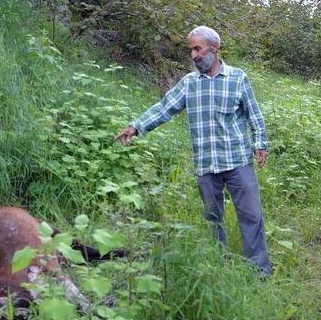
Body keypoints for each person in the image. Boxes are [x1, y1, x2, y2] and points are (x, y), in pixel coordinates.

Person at [113, 25, 272, 275]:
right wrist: (136, 127)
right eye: (191, 50)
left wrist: (260, 143)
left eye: (198, 49)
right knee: (213, 219)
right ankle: (219, 268)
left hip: (237, 160)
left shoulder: (237, 78)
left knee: (251, 216)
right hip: (206, 164)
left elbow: (254, 114)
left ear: (214, 47)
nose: (194, 55)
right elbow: (164, 108)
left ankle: (259, 272)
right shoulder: (189, 83)